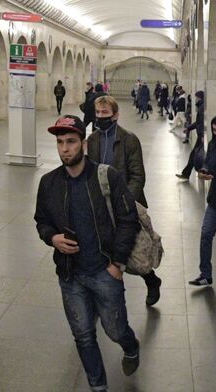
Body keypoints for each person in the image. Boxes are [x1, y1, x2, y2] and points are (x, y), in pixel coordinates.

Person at [35, 116, 142, 387]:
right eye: (60, 142)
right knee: (83, 336)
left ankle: (130, 347)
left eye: (70, 142)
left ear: (83, 143)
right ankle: (98, 386)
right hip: (70, 276)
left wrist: (117, 264)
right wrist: (52, 237)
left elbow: (128, 220)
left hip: (104, 271)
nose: (64, 149)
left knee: (115, 329)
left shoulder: (107, 177)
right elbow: (42, 220)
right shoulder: (49, 182)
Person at [87, 95, 161, 306]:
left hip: (125, 204)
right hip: (101, 204)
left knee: (130, 252)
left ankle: (152, 280)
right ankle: (107, 294)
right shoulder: (92, 140)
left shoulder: (129, 140)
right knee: (105, 252)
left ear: (116, 115)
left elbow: (138, 176)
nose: (101, 117)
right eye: (98, 113)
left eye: (105, 113)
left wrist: (125, 204)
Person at [188, 114, 216, 288]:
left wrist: (215, 175)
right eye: (215, 130)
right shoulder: (212, 144)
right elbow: (208, 162)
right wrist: (205, 170)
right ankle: (206, 274)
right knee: (206, 234)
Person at [177, 91, 205, 179]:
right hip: (201, 136)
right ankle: (186, 174)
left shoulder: (202, 108)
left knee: (195, 155)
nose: (195, 99)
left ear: (199, 98)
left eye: (196, 97)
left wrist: (202, 135)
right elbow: (198, 122)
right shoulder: (201, 107)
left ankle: (189, 173)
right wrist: (188, 128)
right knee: (194, 155)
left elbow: (200, 123)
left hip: (201, 137)